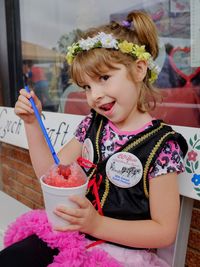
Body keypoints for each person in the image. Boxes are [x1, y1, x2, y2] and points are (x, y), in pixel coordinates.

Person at [0, 11, 188, 267]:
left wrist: (97, 224)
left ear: (139, 69)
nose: (95, 95)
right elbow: (50, 173)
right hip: (75, 237)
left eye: (104, 78)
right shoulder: (93, 124)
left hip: (121, 254)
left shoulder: (162, 146)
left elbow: (164, 231)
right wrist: (32, 124)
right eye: (87, 87)